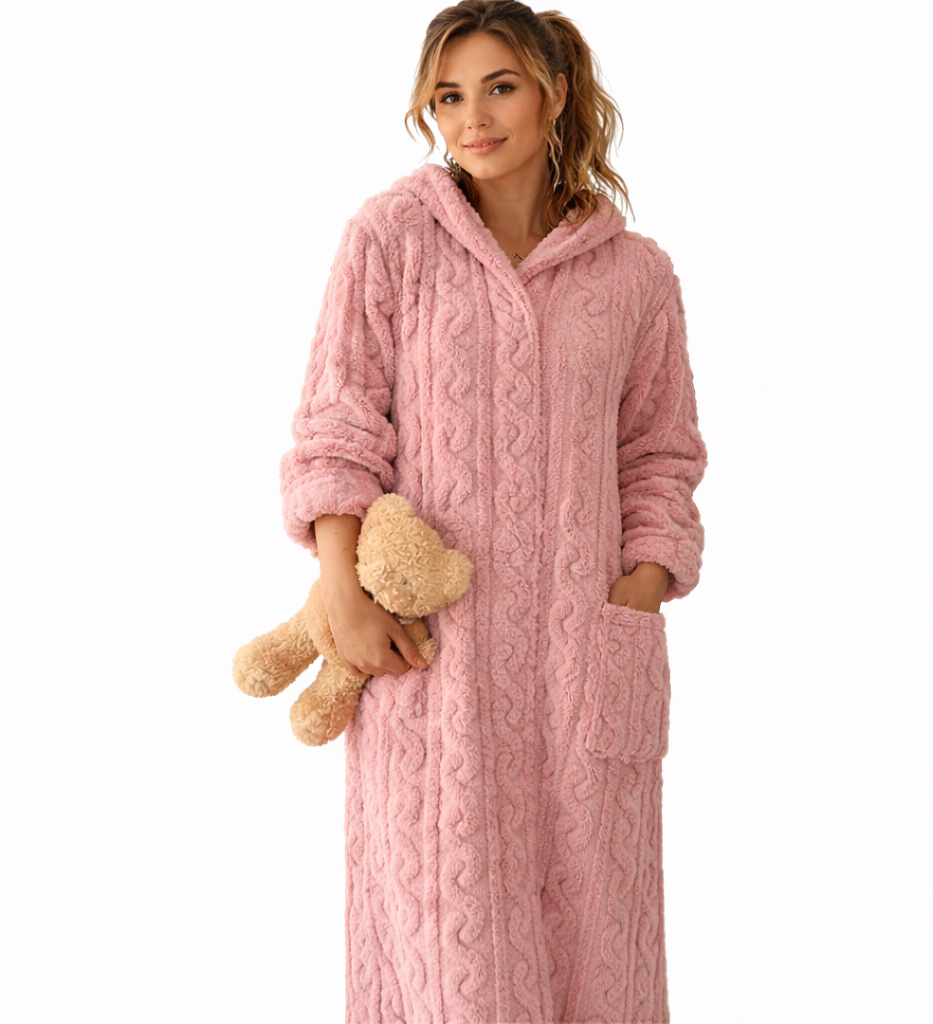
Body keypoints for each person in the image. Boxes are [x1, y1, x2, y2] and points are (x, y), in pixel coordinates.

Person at [278, 1, 708, 1020]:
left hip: (584, 666)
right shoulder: (392, 238)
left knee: (597, 959)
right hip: (432, 664)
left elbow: (660, 457)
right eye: (448, 96)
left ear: (553, 93)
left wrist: (636, 597)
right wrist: (341, 591)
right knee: (447, 966)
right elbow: (337, 424)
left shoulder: (635, 275)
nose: (472, 118)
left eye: (499, 87)